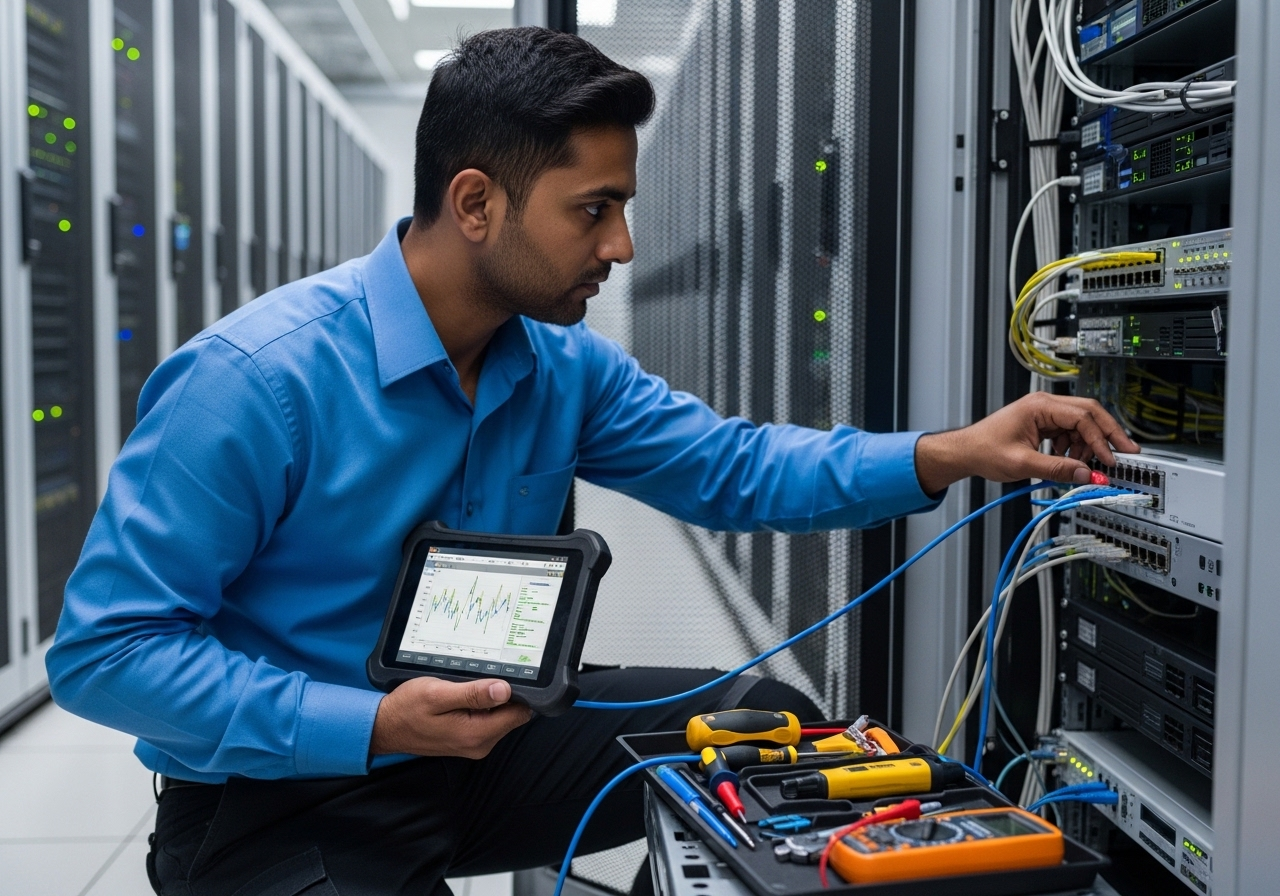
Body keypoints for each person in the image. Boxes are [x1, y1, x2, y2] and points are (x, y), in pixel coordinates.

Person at [46, 27, 1139, 896]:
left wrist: (951, 450)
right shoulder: (256, 381)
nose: (619, 246)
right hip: (277, 797)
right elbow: (104, 652)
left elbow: (734, 467)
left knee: (769, 726)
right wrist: (374, 721)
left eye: (621, 208)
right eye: (594, 210)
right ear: (475, 202)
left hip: (474, 741)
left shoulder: (558, 368)